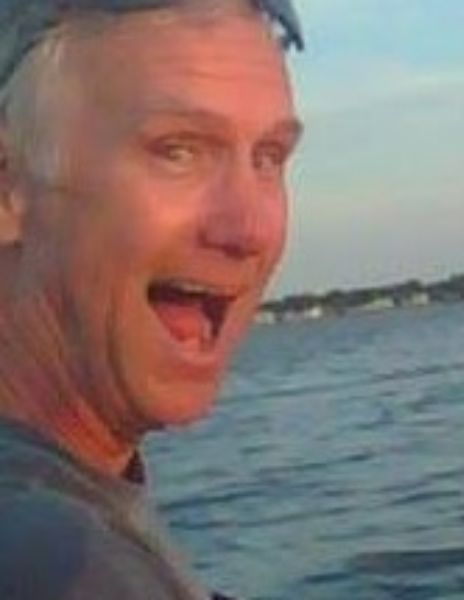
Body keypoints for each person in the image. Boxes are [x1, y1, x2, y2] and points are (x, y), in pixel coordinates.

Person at [0, 0, 303, 598]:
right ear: (9, 183)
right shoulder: (53, 557)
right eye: (178, 150)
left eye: (268, 156)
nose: (250, 229)